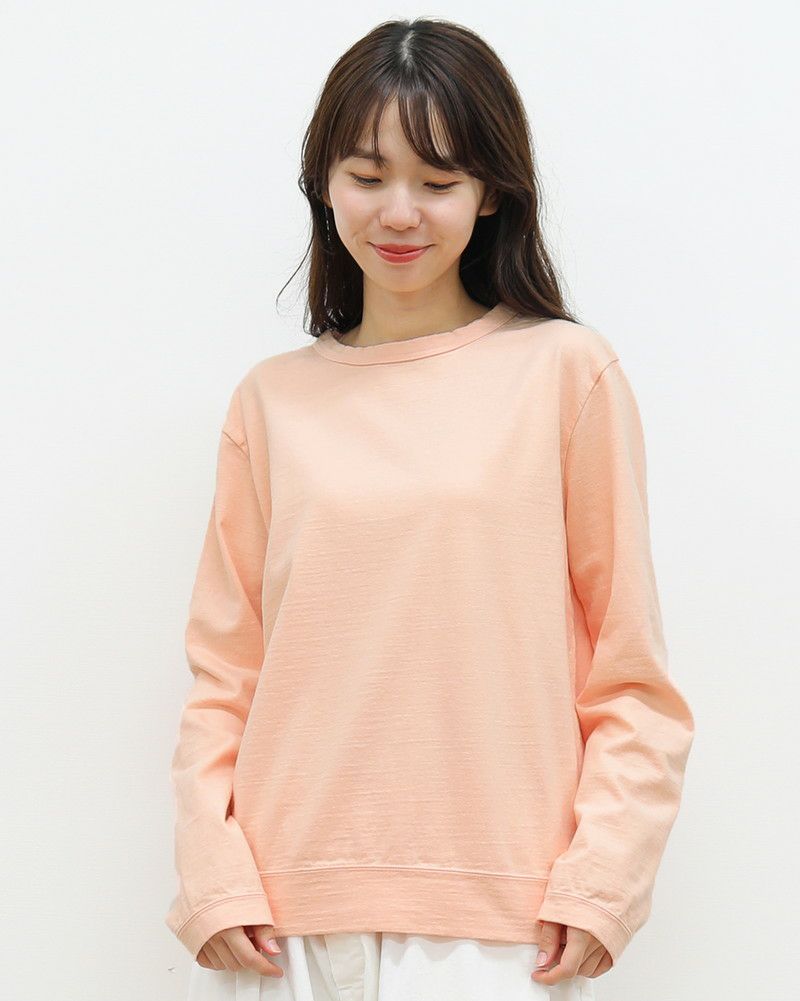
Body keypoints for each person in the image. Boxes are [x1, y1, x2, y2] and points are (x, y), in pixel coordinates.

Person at [165, 16, 695, 1001]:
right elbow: (224, 673)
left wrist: (602, 879)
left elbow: (630, 677)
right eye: (367, 176)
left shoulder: (565, 374)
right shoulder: (270, 402)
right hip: (282, 915)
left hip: (500, 918)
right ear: (323, 183)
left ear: (491, 190)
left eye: (438, 180)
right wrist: (212, 867)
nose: (399, 212)